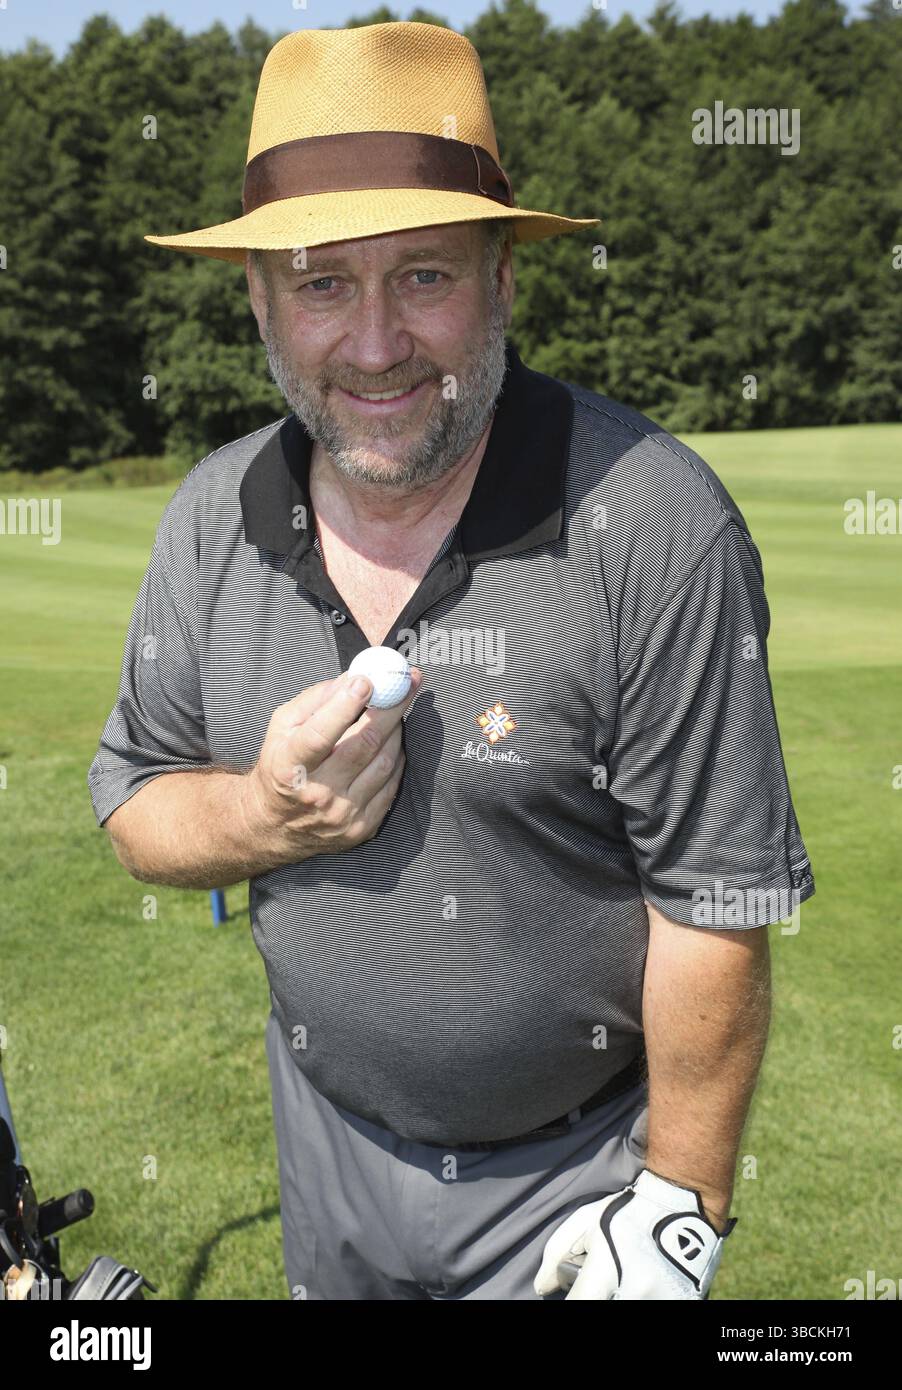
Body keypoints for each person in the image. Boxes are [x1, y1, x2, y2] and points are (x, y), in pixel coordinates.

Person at [87, 21, 815, 1300]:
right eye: (320, 283)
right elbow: (137, 804)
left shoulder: (652, 522)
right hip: (327, 1147)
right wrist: (263, 814)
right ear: (257, 299)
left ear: (501, 280)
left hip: (579, 1178)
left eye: (422, 276)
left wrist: (675, 1210)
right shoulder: (211, 514)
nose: (373, 345)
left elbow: (715, 898)